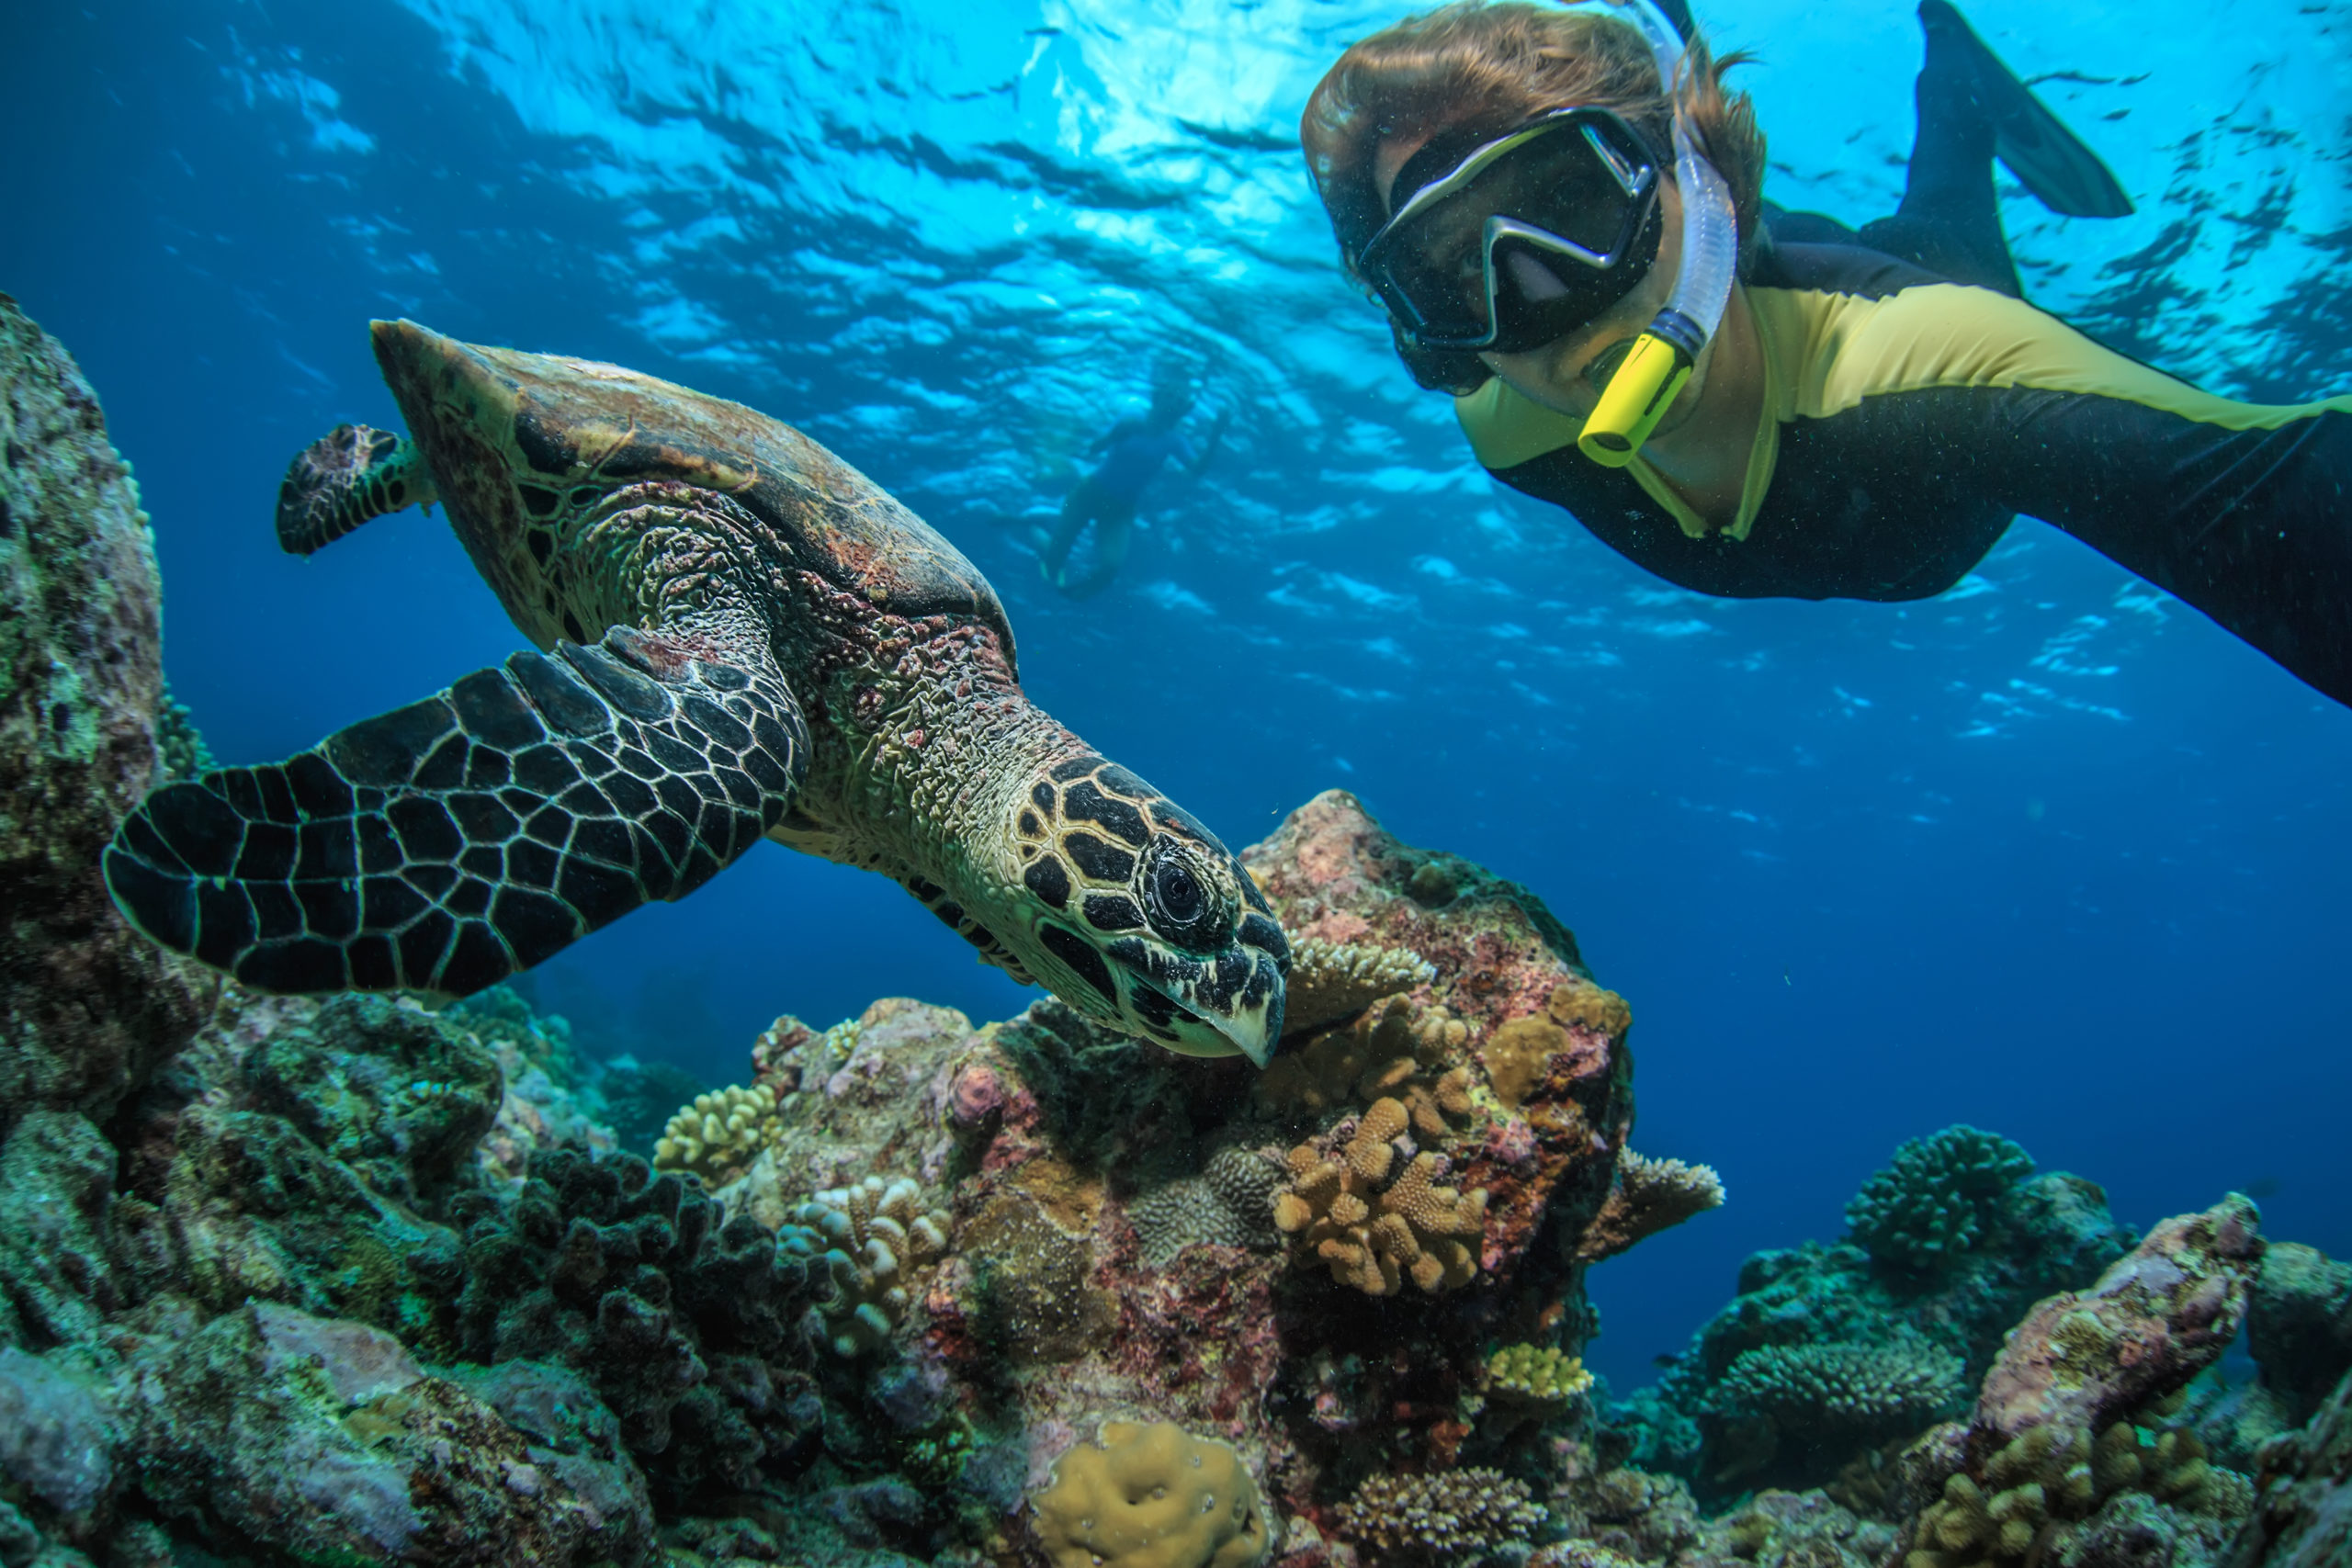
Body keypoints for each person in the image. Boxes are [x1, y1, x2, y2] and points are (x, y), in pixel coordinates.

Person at [1302, 0, 2352, 704]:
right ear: (1421, 326)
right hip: (1751, 270)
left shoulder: (1934, 367)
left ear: (1699, 182)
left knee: (1946, 214)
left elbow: (2285, 491)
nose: (1542, 299)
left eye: (1571, 199)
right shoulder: (1508, 424)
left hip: (1878, 273)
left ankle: (1956, 84)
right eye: (1452, 273)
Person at [1039, 375, 1228, 599]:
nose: (1173, 404)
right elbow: (1094, 449)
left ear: (1184, 410)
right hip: (1089, 494)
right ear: (1157, 396)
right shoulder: (1131, 418)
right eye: (1170, 396)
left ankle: (1071, 599)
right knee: (1054, 559)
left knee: (1110, 568)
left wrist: (1215, 436)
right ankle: (1033, 525)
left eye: (1180, 401)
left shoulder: (1175, 441)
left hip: (1121, 509)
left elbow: (1197, 471)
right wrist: (1114, 435)